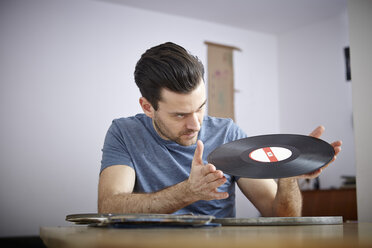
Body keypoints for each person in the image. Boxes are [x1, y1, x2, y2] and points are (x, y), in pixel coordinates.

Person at [98, 42, 342, 217]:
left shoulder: (228, 134)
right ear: (147, 107)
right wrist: (188, 191)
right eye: (180, 114)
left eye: (201, 107)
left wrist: (289, 175)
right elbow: (109, 206)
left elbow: (280, 216)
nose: (195, 124)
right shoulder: (124, 132)